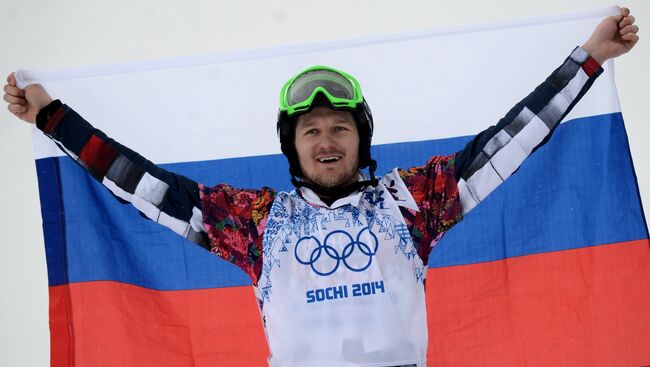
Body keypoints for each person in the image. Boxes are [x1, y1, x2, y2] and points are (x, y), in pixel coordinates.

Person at [2, 8, 639, 367]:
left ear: (361, 141)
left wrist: (588, 58)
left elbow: (510, 141)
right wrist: (53, 117)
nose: (327, 139)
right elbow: (143, 185)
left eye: (340, 127)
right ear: (293, 147)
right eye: (311, 130)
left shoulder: (411, 201)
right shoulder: (254, 221)